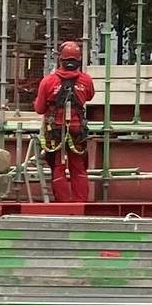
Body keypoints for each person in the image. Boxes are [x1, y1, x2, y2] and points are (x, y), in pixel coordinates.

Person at [34, 41, 96, 202]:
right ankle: (80, 204)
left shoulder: (48, 81)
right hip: (77, 130)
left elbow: (39, 108)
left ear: (60, 60)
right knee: (78, 168)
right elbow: (89, 96)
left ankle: (62, 204)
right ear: (78, 60)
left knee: (58, 166)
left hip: (55, 130)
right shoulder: (86, 80)